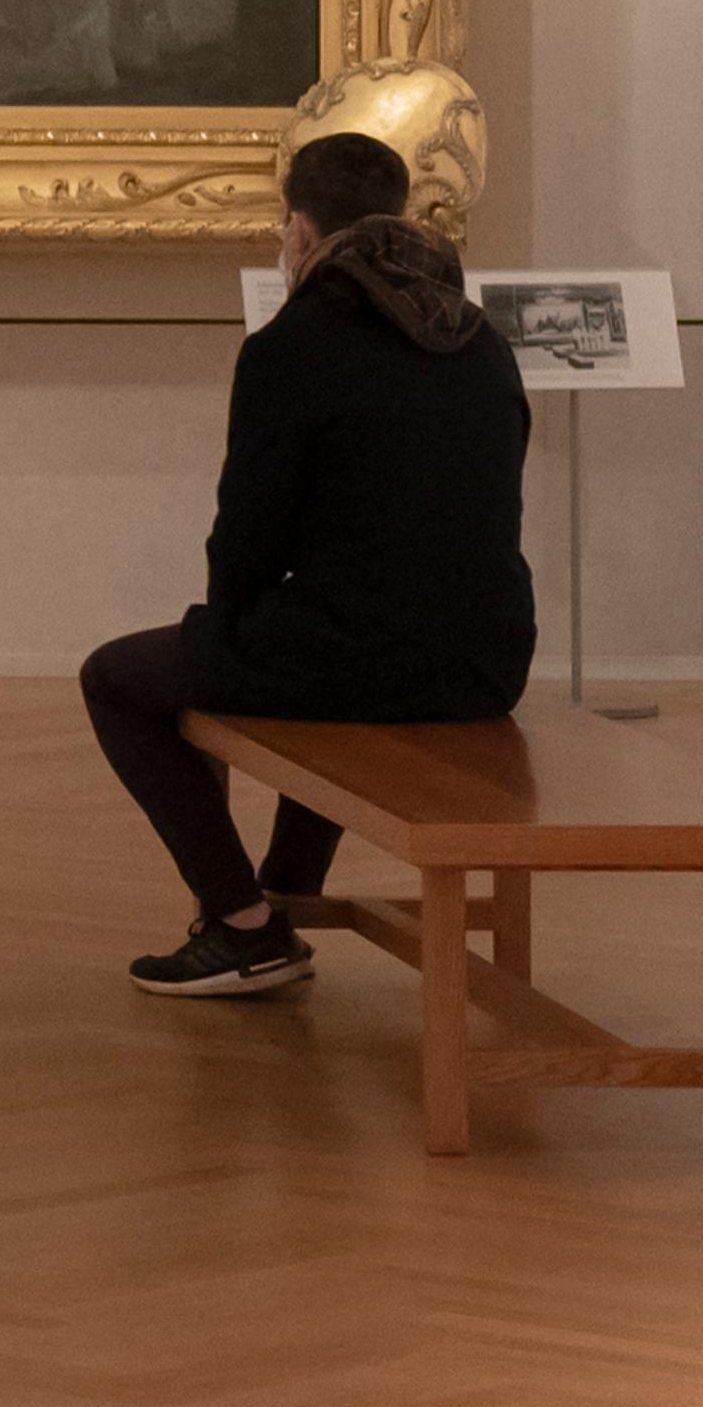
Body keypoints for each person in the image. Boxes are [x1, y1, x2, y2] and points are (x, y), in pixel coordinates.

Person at [79, 130, 534, 994]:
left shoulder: (292, 346)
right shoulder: (482, 344)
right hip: (489, 662)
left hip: (363, 657)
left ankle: (243, 925)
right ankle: (286, 889)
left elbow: (249, 532)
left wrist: (222, 629)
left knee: (118, 678)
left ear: (297, 230)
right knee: (323, 634)